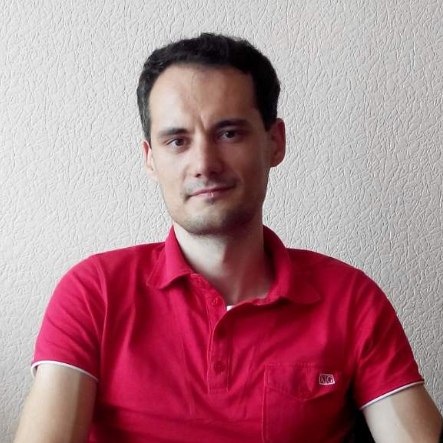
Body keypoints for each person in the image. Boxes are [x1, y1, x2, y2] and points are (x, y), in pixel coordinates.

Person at [14, 33, 442, 443]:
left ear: (274, 142)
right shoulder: (95, 293)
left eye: (229, 133)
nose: (204, 163)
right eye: (177, 140)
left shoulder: (350, 299)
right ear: (151, 160)